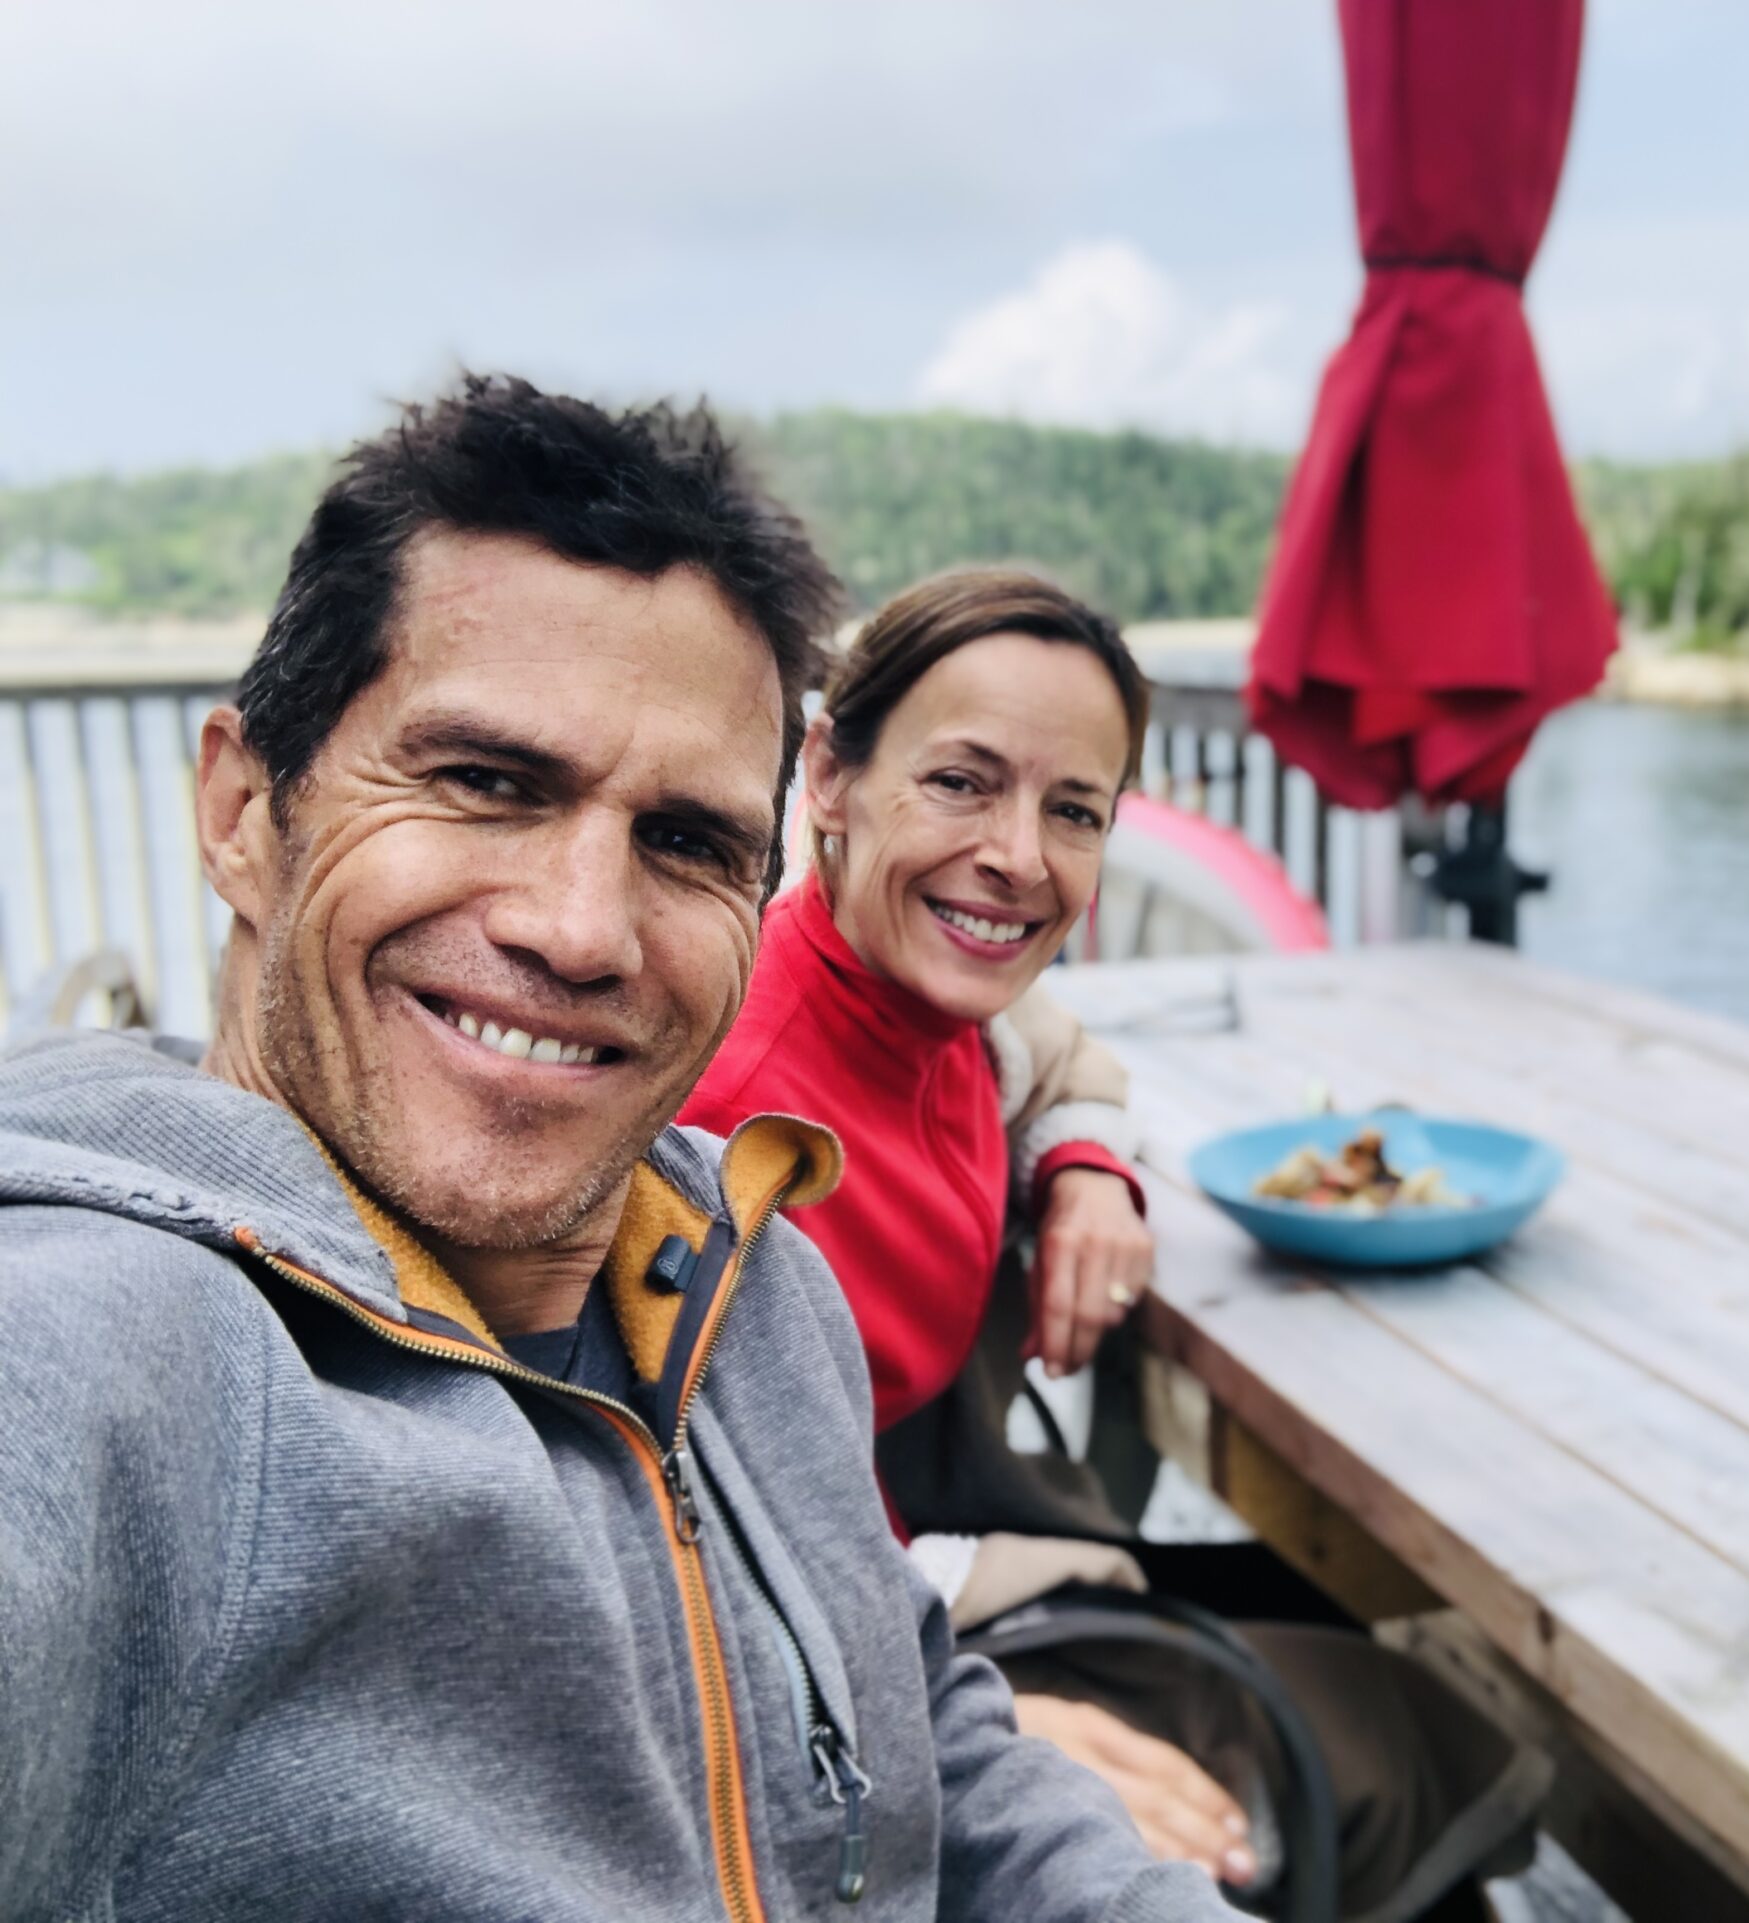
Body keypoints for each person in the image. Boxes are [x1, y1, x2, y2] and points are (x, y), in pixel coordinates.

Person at [0, 378, 1240, 1923]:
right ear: (246, 809)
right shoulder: (132, 1363)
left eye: (686, 843)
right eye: (484, 783)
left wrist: (1087, 1150)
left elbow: (911, 1720)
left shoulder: (751, 1271)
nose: (585, 931)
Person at [680, 571, 1549, 1923]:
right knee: (1402, 1727)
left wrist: (1087, 1162)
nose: (1020, 857)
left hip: (959, 1548)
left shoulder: (935, 1009)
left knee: (1326, 1615)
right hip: (844, 1647)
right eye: (962, 783)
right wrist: (971, 1649)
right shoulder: (738, 1122)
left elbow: (1056, 1052)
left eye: (1072, 810)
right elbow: (687, 1546)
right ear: (829, 779)